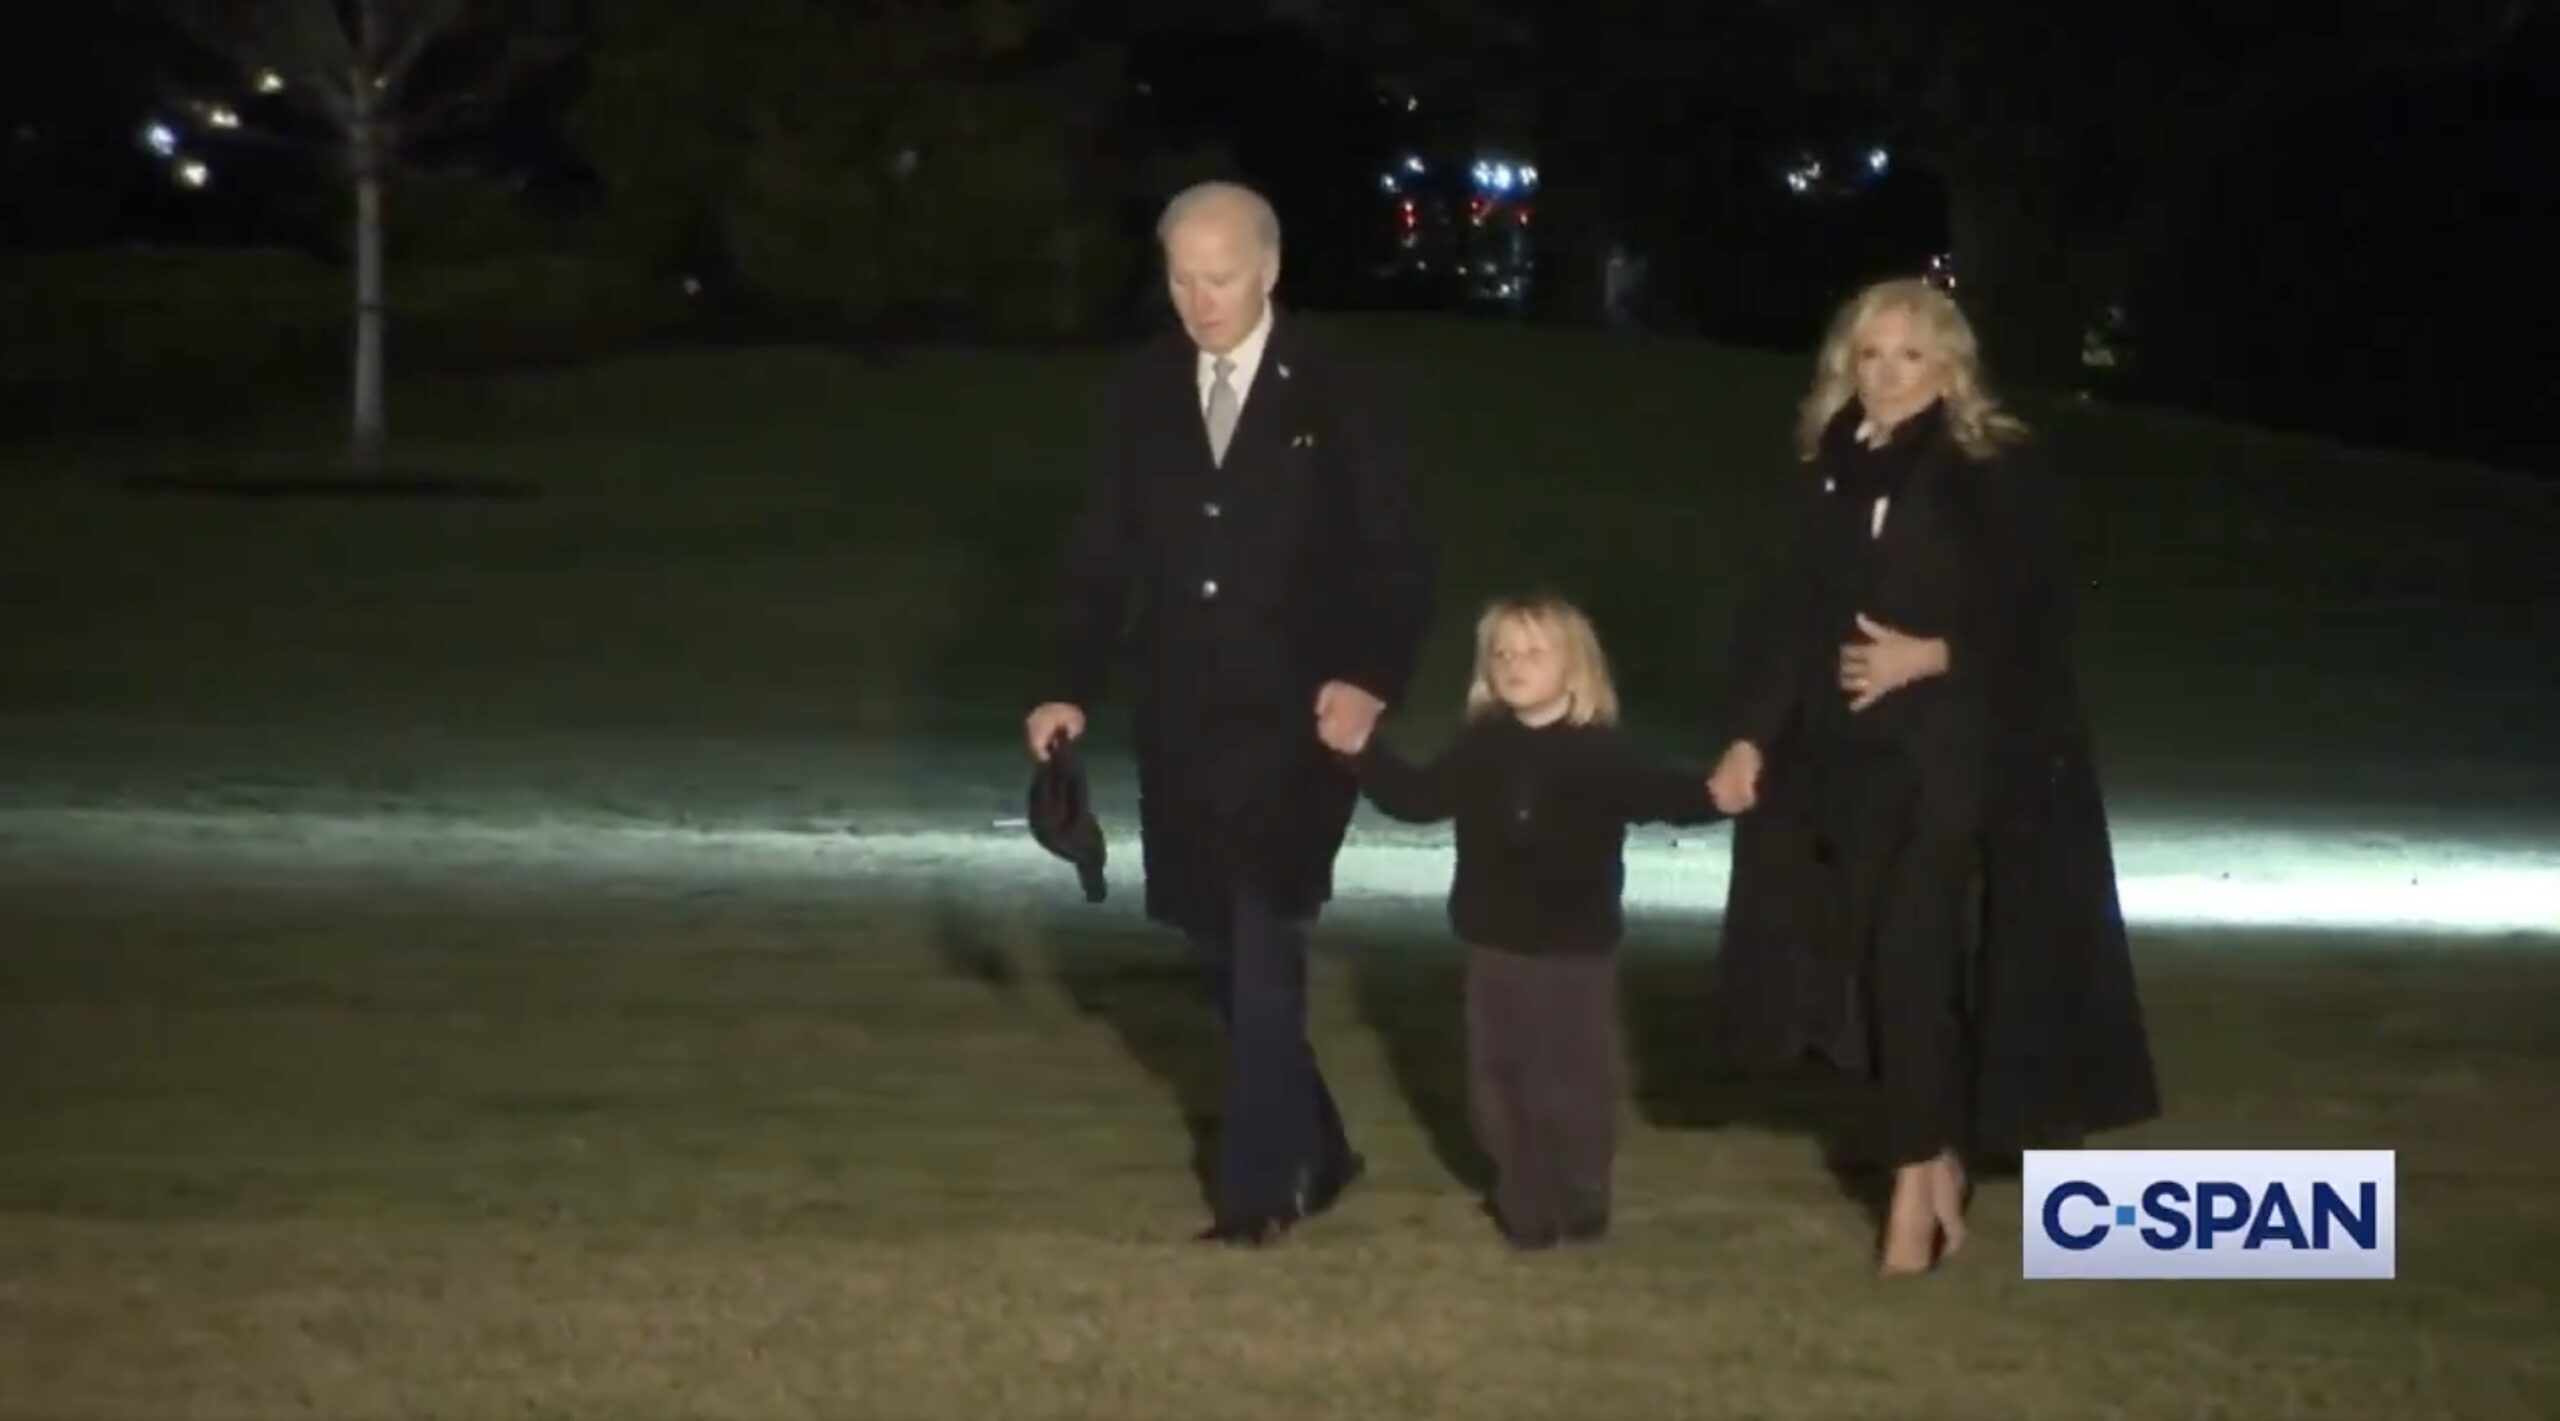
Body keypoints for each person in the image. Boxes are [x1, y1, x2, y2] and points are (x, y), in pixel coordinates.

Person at [1705, 277, 2161, 1276]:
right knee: (1870, 972)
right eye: (1870, 354)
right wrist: (1747, 738)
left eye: (1909, 354)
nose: (1887, 373)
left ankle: (1914, 1195)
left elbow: (2037, 612)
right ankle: (1934, 1160)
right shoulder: (1824, 468)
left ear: (1947, 365)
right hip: (1843, 761)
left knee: (1914, 957)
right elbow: (1783, 617)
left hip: (1959, 755)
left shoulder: (1992, 465)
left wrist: (1932, 654)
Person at [1025, 180, 1436, 1247]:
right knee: (1219, 945)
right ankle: (1322, 1147)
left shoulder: (1340, 382)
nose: (1201, 301)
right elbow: (1099, 550)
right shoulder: (1142, 388)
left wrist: (1370, 677)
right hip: (1181, 715)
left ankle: (1258, 1196)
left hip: (1302, 719)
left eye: (1220, 278)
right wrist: (1064, 680)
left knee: (1266, 937)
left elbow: (1398, 553)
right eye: (1181, 280)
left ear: (1269, 270)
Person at [1347, 595, 1722, 1250]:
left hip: (1576, 948)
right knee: (1498, 1076)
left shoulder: (1602, 752)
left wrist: (1721, 793)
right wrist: (1361, 750)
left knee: (1574, 1074)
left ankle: (1580, 1185)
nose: (1514, 664)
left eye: (1533, 652)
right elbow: (1417, 798)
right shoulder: (1481, 745)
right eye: (1502, 653)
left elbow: (1663, 794)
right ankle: (1524, 1195)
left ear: (1574, 666)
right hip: (1495, 943)